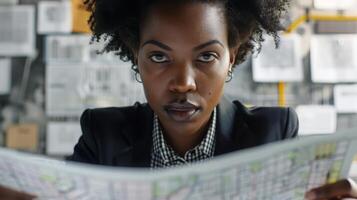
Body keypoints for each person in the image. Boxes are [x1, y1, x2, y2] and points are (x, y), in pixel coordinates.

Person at [67, 0, 357, 199]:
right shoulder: (101, 135)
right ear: (136, 56)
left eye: (206, 56)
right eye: (159, 56)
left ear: (230, 59)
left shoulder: (274, 134)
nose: (184, 83)